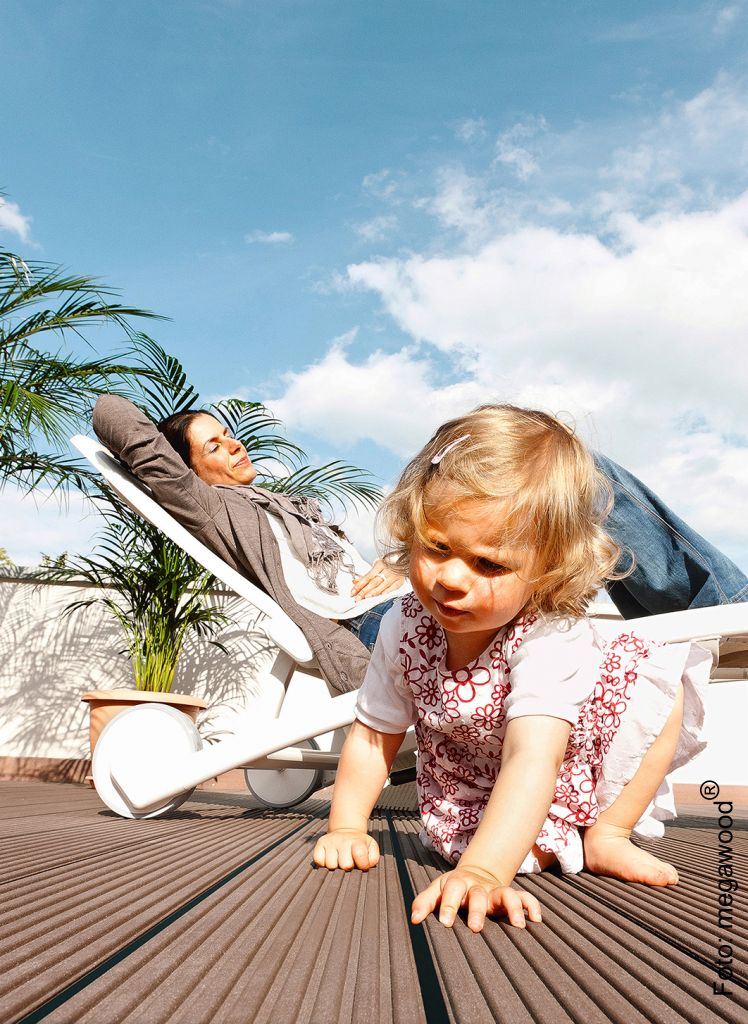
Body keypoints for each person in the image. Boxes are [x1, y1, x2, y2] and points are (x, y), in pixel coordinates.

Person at [313, 405, 713, 932]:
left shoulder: (547, 633)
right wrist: (346, 825)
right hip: (468, 789)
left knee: (662, 671)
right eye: (436, 547)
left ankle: (608, 834)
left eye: (489, 563)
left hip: (560, 770)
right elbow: (373, 735)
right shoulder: (403, 623)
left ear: (547, 572)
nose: (451, 578)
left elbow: (533, 759)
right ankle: (534, 842)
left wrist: (484, 871)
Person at [93, 395, 408, 695]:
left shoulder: (280, 506)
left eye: (227, 434)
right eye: (213, 448)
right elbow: (112, 412)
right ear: (188, 471)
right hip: (371, 624)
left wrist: (401, 566)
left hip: (403, 604)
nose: (234, 446)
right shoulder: (212, 508)